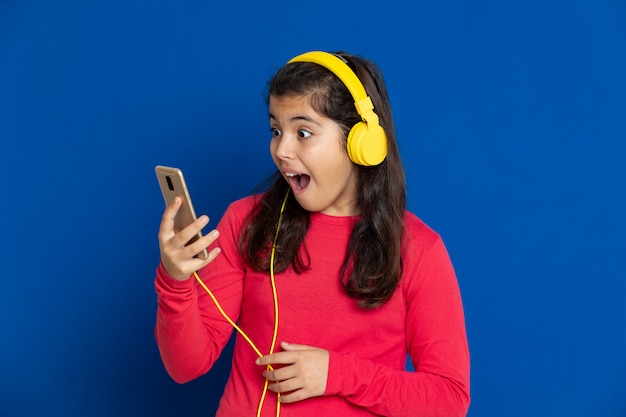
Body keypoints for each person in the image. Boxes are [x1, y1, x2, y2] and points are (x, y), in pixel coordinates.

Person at [154, 50, 470, 417]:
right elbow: (186, 366)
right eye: (276, 130)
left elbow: (449, 399)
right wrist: (175, 281)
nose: (281, 150)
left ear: (360, 144)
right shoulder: (246, 221)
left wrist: (337, 374)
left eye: (303, 132)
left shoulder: (418, 249)